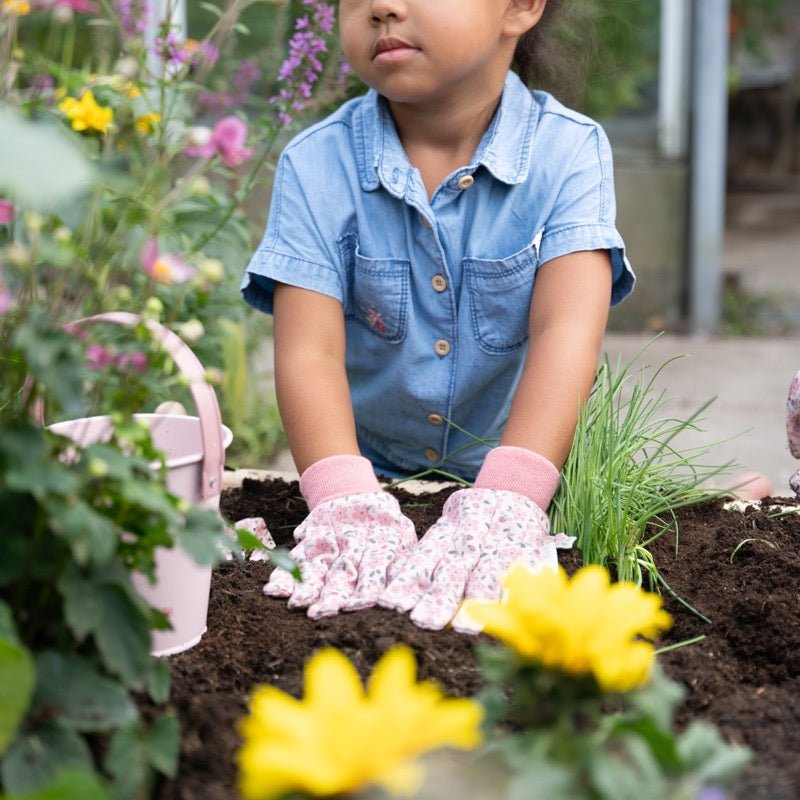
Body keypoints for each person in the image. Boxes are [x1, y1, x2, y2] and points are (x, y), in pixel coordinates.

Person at [241, 0, 635, 630]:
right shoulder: (314, 165)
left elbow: (564, 336)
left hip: (528, 477)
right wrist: (346, 504)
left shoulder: (569, 153)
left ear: (519, 7)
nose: (382, 8)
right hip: (373, 481)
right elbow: (308, 354)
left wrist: (509, 499)